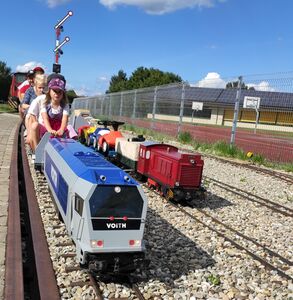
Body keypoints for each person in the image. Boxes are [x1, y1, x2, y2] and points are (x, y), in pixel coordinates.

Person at [30, 75, 76, 151]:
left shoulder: (65, 105)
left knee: (70, 128)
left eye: (59, 92)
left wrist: (61, 129)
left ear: (63, 93)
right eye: (54, 91)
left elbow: (65, 119)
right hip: (48, 128)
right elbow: (45, 118)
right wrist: (49, 130)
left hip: (59, 128)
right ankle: (37, 151)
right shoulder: (45, 103)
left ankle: (71, 149)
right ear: (49, 91)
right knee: (35, 125)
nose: (57, 94)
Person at [22, 74, 46, 145]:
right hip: (31, 113)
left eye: (44, 88)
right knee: (30, 115)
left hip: (42, 114)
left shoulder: (46, 94)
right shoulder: (30, 91)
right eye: (40, 87)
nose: (42, 90)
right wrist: (33, 106)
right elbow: (23, 104)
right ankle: (30, 135)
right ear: (35, 85)